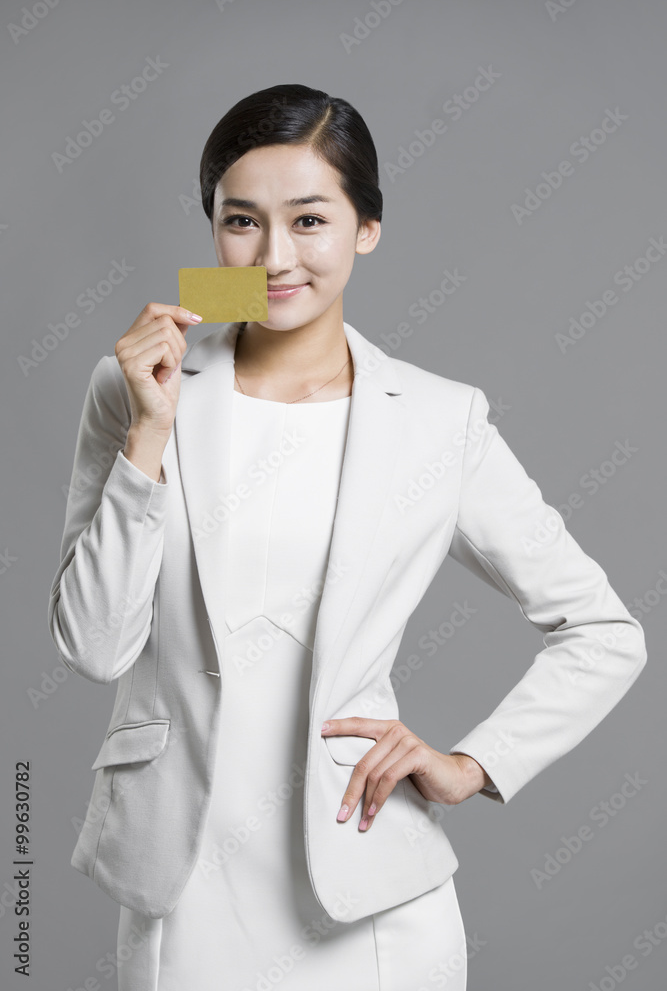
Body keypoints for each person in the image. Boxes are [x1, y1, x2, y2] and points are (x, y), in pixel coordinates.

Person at [48, 84, 647, 991]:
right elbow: (94, 647)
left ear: (366, 228)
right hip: (182, 883)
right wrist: (148, 433)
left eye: (311, 220)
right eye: (241, 222)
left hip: (370, 896)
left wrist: (473, 764)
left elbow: (603, 632)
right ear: (213, 231)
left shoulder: (439, 421)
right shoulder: (132, 387)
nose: (276, 255)